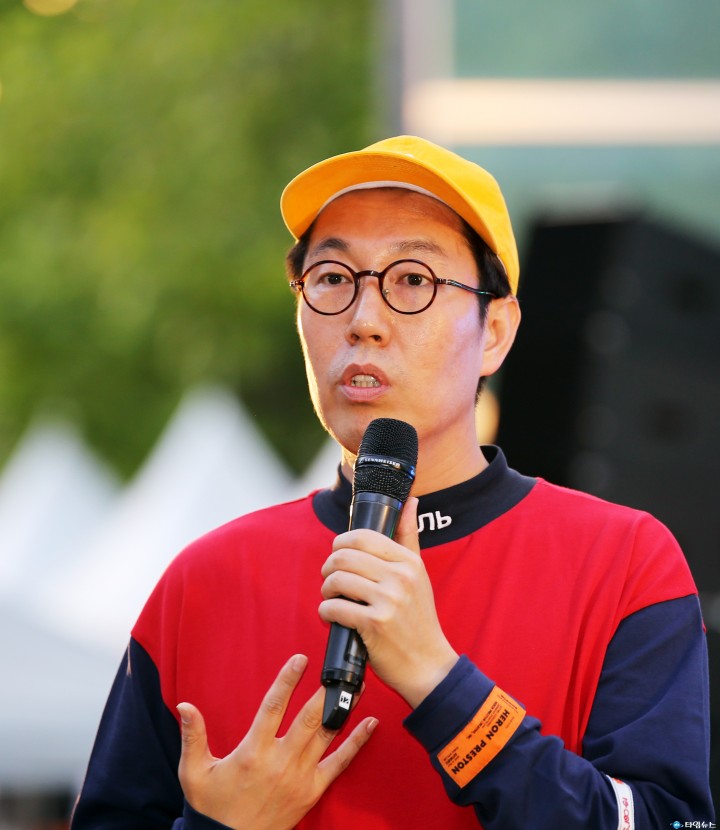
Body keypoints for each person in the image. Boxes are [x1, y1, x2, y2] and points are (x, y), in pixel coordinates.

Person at [71, 136, 715, 829]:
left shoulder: (624, 563)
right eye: (331, 279)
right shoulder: (204, 581)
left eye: (412, 280)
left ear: (495, 330)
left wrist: (441, 683)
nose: (364, 321)